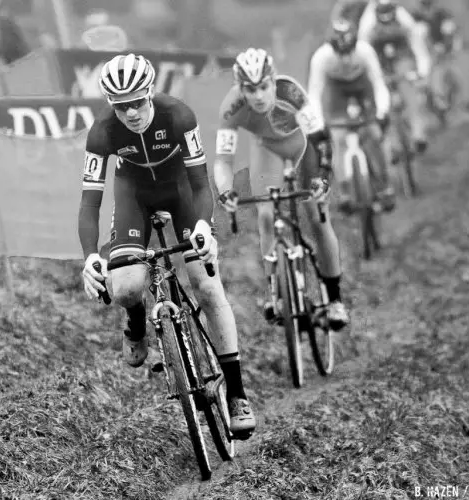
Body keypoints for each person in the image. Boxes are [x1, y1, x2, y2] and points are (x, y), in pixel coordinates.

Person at [78, 53, 256, 437]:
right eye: (121, 106)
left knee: (207, 286)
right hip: (133, 196)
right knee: (124, 287)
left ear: (150, 93)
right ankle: (137, 322)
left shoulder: (178, 115)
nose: (131, 114)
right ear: (111, 105)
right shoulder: (102, 133)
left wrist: (205, 229)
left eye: (137, 103)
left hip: (181, 192)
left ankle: (238, 393)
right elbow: (90, 201)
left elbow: (199, 182)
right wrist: (90, 256)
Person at [213, 48, 350, 331]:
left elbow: (322, 141)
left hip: (305, 149)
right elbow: (222, 161)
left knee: (316, 215)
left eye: (264, 87)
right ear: (240, 89)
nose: (259, 96)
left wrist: (323, 178)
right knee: (265, 215)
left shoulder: (291, 92)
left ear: (273, 81)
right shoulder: (231, 106)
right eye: (250, 90)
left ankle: (335, 299)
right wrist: (226, 191)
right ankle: (275, 292)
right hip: (268, 152)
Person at [308, 19, 394, 214]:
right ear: (331, 47)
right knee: (338, 139)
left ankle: (384, 186)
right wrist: (318, 124)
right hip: (336, 94)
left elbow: (378, 82)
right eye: (341, 53)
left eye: (349, 51)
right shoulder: (321, 58)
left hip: (362, 90)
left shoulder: (365, 52)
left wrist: (382, 112)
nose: (346, 58)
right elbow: (314, 93)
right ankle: (345, 191)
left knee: (373, 134)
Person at [358, 0, 432, 154]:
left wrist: (420, 71)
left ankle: (418, 135)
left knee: (409, 92)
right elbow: (363, 53)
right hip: (378, 59)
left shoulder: (403, 18)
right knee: (383, 101)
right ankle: (392, 145)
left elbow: (417, 45)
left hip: (401, 56)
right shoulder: (367, 23)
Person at [411, 0, 461, 113]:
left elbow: (451, 33)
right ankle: (428, 101)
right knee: (424, 75)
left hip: (445, 49)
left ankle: (449, 102)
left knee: (452, 76)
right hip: (424, 52)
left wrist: (445, 46)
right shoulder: (416, 17)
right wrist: (432, 49)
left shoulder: (443, 14)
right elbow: (417, 40)